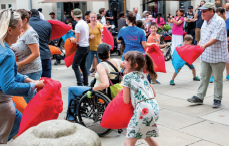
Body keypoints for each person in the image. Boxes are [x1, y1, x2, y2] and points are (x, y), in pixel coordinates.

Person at [0, 9, 44, 144]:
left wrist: (26, 79)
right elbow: (8, 86)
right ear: (9, 30)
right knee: (28, 131)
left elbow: (8, 73)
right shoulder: (7, 53)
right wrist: (33, 85)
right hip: (3, 106)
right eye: (19, 28)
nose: (21, 31)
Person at [66, 43, 124, 121]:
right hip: (113, 90)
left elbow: (105, 83)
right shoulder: (118, 61)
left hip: (99, 92)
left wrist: (93, 89)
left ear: (98, 55)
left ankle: (71, 116)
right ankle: (77, 111)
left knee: (71, 89)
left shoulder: (101, 66)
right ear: (108, 53)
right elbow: (128, 66)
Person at [187, 3, 228, 108]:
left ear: (212, 11)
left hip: (218, 55)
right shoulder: (205, 21)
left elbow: (215, 38)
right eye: (201, 11)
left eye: (204, 11)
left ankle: (217, 99)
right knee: (204, 77)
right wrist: (199, 43)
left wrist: (204, 45)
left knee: (218, 79)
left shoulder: (219, 22)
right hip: (206, 55)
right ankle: (200, 97)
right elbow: (204, 36)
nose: (202, 13)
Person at [122, 51, 159, 146]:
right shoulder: (143, 75)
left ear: (135, 65)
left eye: (126, 60)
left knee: (129, 141)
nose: (123, 62)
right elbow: (153, 93)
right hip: (154, 107)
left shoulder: (127, 77)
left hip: (143, 110)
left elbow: (126, 100)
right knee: (146, 135)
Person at [11, 9, 42, 103]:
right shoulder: (21, 31)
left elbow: (36, 53)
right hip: (23, 71)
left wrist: (20, 63)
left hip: (31, 70)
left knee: (29, 100)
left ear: (24, 20)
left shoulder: (30, 33)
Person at [29, 9, 52, 78]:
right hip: (45, 55)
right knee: (47, 81)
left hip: (31, 57)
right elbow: (49, 40)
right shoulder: (47, 24)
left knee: (34, 83)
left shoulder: (26, 24)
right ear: (39, 15)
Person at [70, 8, 89, 86]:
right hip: (87, 46)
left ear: (74, 16)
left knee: (74, 65)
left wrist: (72, 39)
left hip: (81, 48)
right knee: (83, 65)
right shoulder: (85, 23)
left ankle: (79, 83)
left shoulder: (78, 25)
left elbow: (77, 40)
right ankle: (85, 83)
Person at [216, 7, 229, 80]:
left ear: (223, 13)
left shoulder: (228, 21)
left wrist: (226, 40)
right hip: (217, 42)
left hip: (227, 43)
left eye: (219, 15)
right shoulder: (216, 21)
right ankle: (212, 75)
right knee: (214, 59)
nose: (218, 17)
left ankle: (228, 74)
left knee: (227, 59)